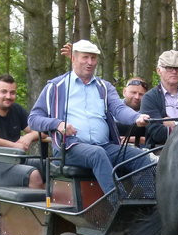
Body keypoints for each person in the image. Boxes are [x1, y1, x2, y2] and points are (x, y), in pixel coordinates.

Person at [28, 39, 153, 196]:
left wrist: (137, 117)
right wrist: (58, 124)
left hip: (105, 146)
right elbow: (33, 119)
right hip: (70, 148)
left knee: (141, 157)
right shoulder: (56, 86)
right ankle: (119, 202)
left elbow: (119, 109)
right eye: (85, 57)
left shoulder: (104, 87)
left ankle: (147, 202)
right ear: (73, 58)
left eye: (93, 58)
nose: (90, 62)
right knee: (96, 154)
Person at [116, 77, 149, 144]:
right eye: (133, 92)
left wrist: (131, 139)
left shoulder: (150, 111)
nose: (137, 97)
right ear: (124, 92)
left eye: (141, 94)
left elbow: (156, 138)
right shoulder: (113, 107)